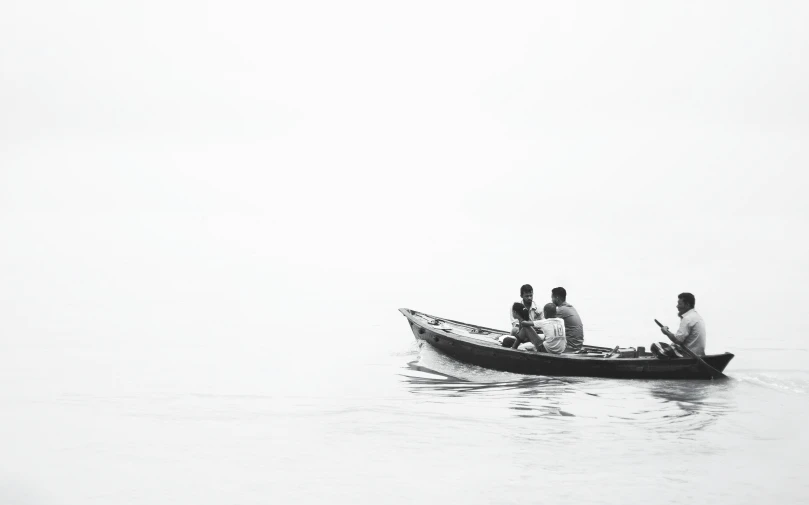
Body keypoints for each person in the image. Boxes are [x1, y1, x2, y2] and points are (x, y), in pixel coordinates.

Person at [508, 284, 545, 350]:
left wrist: (533, 327)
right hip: (519, 330)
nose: (529, 298)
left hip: (534, 332)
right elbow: (515, 324)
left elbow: (543, 324)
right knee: (514, 330)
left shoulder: (538, 308)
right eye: (527, 296)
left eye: (531, 295)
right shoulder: (516, 307)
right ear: (521, 296)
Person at [551, 287, 584, 351]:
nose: (551, 300)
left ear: (557, 298)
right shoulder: (570, 307)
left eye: (552, 297)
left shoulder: (561, 310)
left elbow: (547, 326)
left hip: (570, 347)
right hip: (578, 345)